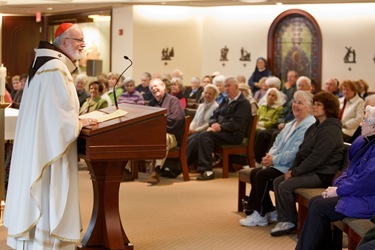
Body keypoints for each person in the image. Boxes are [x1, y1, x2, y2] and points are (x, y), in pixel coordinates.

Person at [4, 22, 97, 249]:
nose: (83, 45)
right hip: (49, 150)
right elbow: (60, 120)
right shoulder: (55, 69)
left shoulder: (44, 65)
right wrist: (79, 122)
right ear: (63, 42)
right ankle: (46, 243)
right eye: (78, 40)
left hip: (41, 145)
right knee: (49, 191)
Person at [296, 105, 375, 250]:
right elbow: (349, 171)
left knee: (320, 206)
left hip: (369, 199)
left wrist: (339, 191)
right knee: (315, 201)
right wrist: (337, 187)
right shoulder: (363, 142)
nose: (360, 123)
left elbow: (366, 182)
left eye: (364, 121)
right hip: (358, 193)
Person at [271, 91, 344, 237]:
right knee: (278, 180)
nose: (314, 107)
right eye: (314, 104)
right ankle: (286, 218)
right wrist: (292, 169)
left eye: (318, 105)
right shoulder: (315, 126)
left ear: (328, 108)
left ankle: (290, 220)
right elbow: (302, 153)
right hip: (313, 170)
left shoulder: (331, 129)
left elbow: (318, 158)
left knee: (285, 185)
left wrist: (295, 173)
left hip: (323, 174)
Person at [240, 91, 315, 227]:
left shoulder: (309, 125)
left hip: (292, 167)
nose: (295, 105)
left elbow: (296, 153)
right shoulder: (292, 123)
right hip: (280, 163)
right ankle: (270, 210)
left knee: (262, 176)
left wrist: (274, 160)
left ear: (309, 107)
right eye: (294, 102)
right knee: (255, 173)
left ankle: (259, 214)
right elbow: (277, 143)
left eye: (300, 103)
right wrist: (269, 157)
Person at [186, 76, 252, 180]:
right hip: (222, 131)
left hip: (234, 135)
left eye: (228, 86)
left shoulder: (243, 103)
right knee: (194, 137)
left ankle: (207, 170)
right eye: (225, 86)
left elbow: (236, 123)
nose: (226, 88)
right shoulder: (226, 100)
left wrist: (219, 127)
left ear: (236, 86)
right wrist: (213, 124)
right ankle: (182, 165)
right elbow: (214, 115)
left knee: (204, 136)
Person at [253, 76, 312, 165]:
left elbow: (299, 117)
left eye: (302, 85)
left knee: (274, 134)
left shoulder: (309, 102)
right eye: (298, 85)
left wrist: (286, 124)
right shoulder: (293, 100)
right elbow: (283, 113)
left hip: (293, 125)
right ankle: (261, 160)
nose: (300, 88)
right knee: (263, 134)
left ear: (309, 88)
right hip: (286, 124)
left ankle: (271, 160)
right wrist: (281, 122)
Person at [147, 78, 185, 185]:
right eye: (151, 88)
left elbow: (177, 119)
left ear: (163, 86)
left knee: (162, 138)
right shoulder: (151, 104)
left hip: (171, 136)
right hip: (153, 135)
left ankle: (156, 170)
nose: (154, 89)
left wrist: (157, 125)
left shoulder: (173, 101)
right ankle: (126, 170)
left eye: (156, 86)